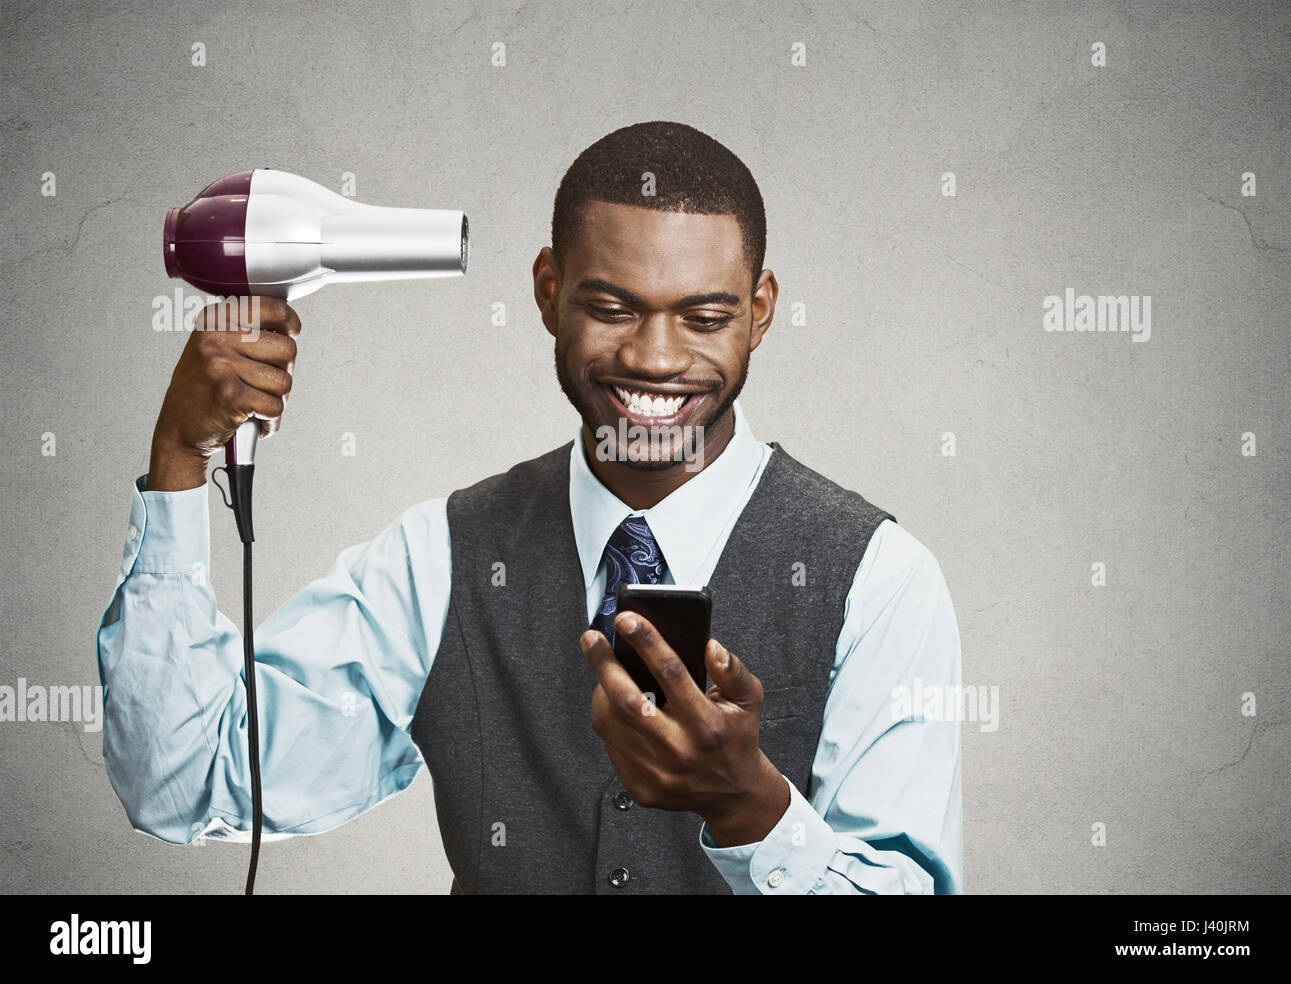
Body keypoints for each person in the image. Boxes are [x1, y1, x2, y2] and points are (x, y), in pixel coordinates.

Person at [96, 120, 962, 894]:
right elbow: (180, 781)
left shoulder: (877, 582)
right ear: (548, 290)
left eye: (703, 316)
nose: (657, 359)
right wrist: (178, 461)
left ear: (760, 312)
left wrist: (754, 810)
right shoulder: (440, 560)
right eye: (613, 307)